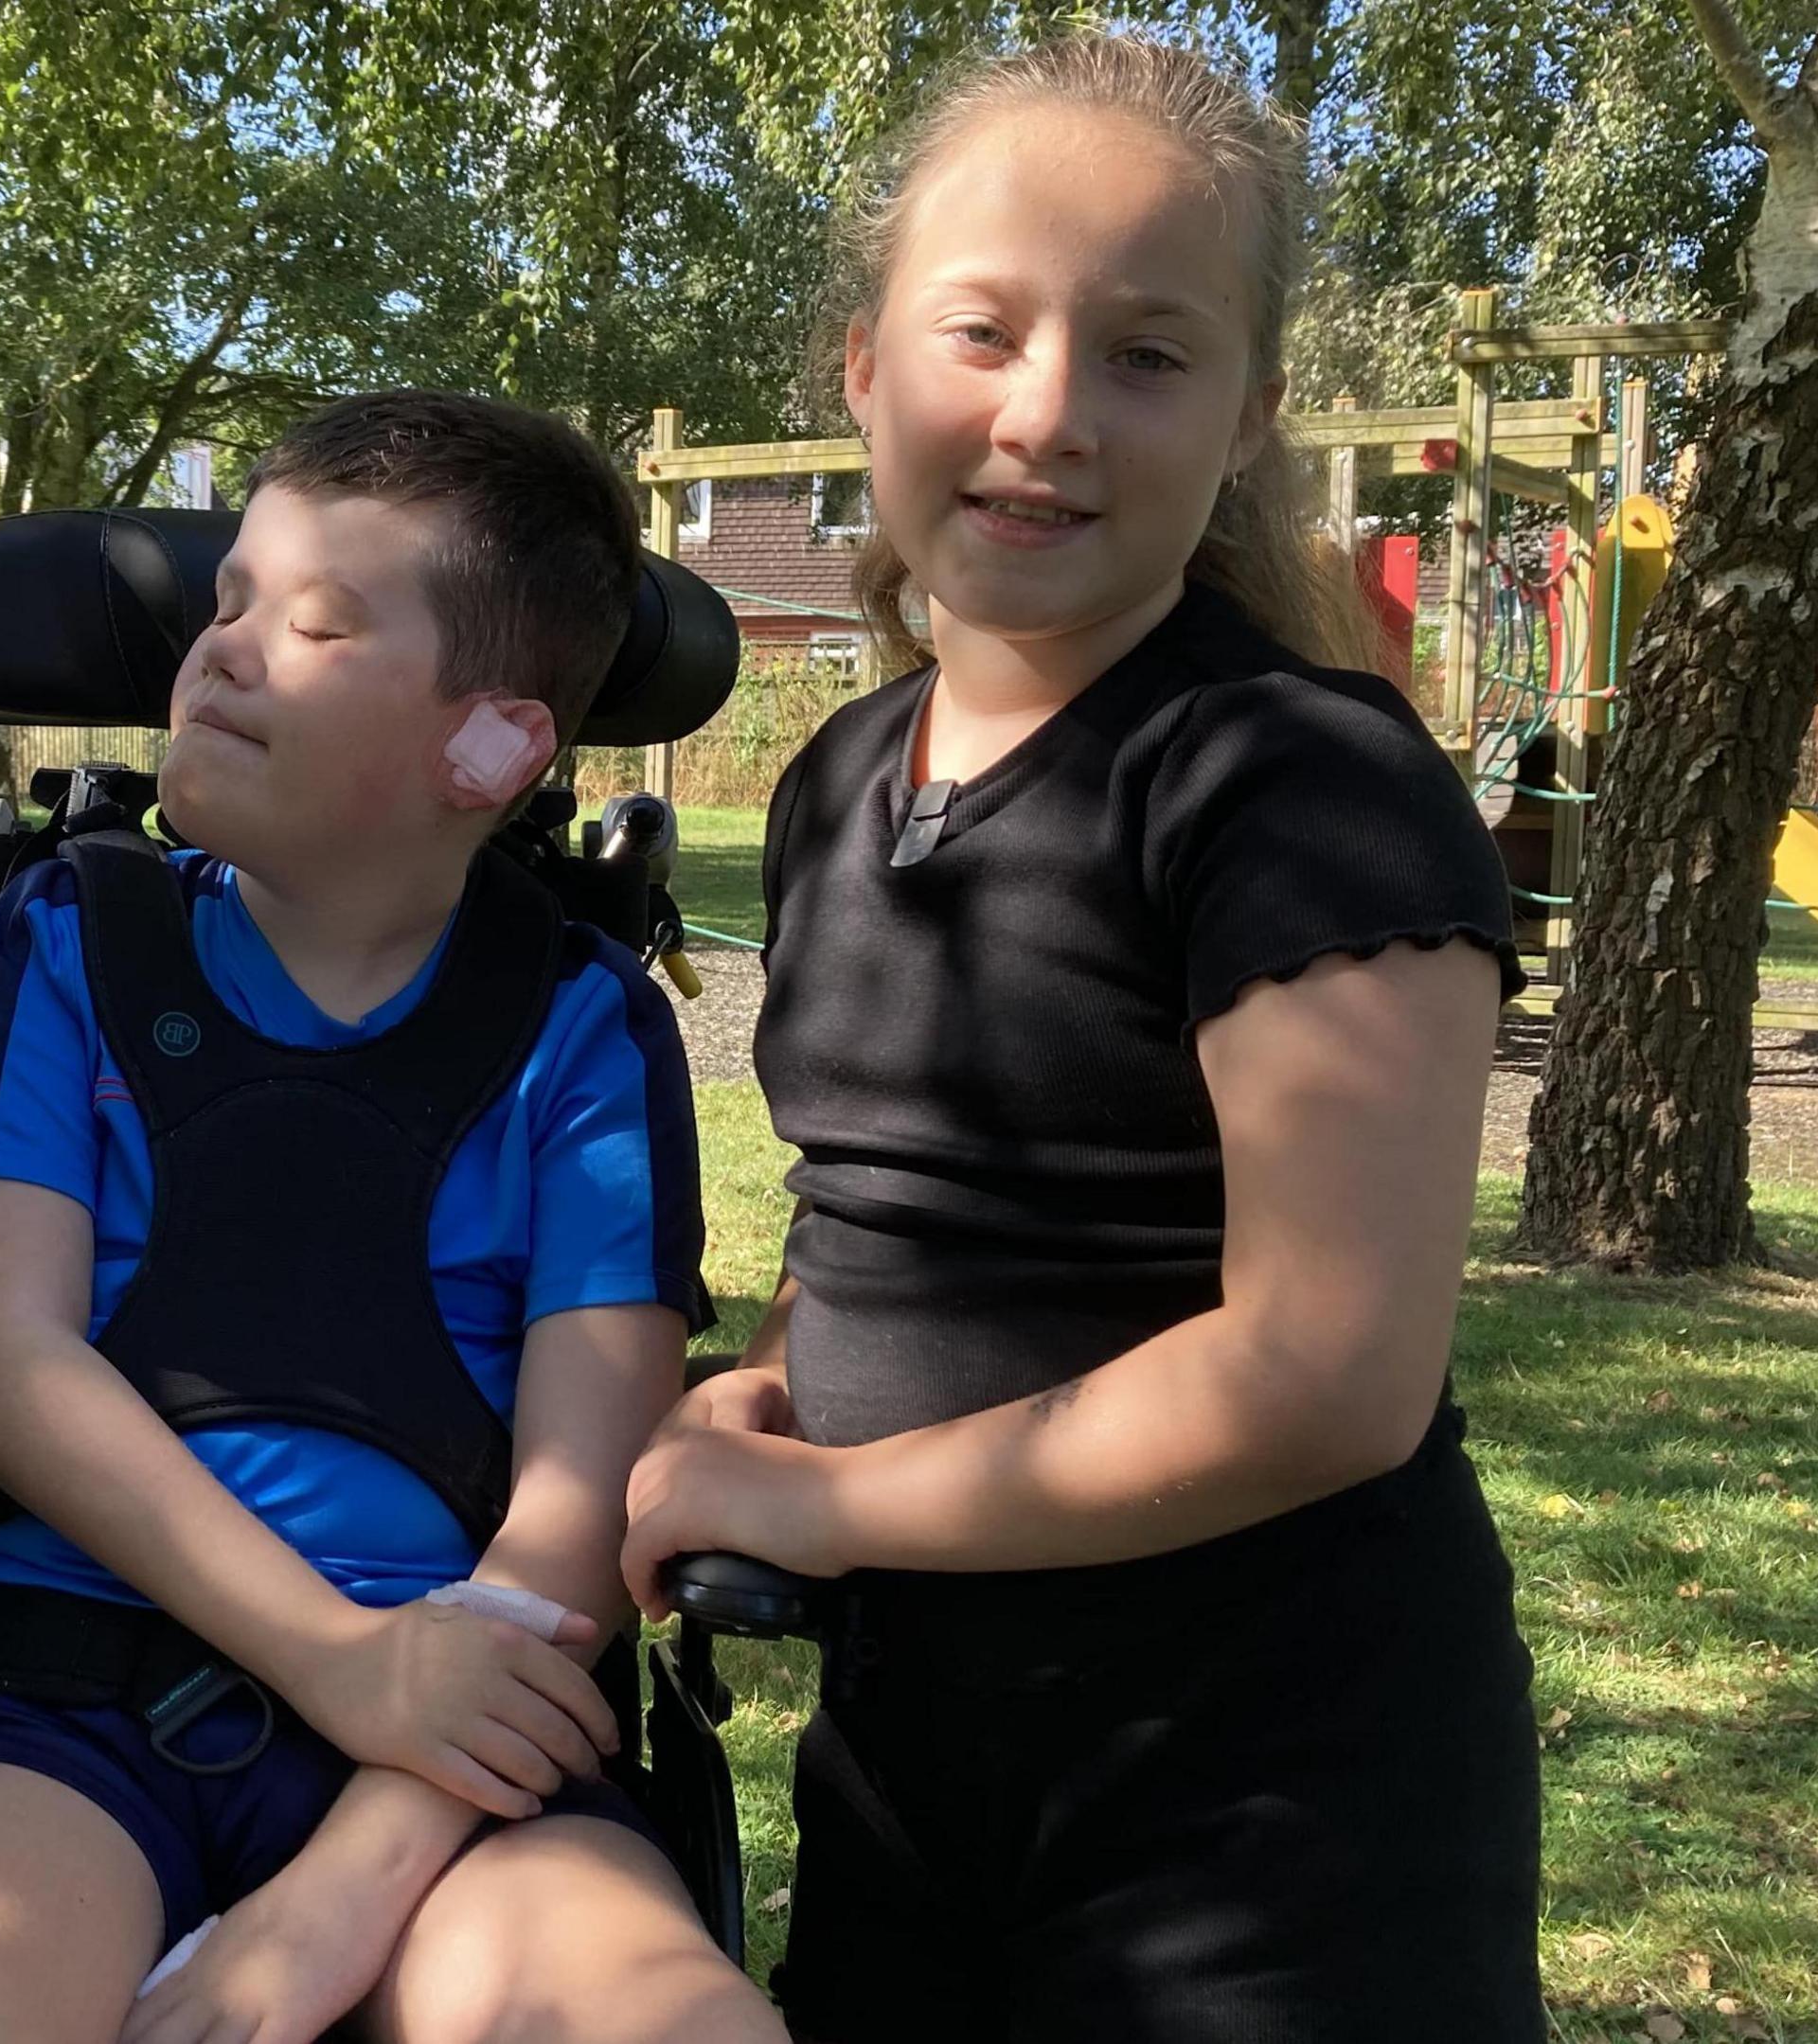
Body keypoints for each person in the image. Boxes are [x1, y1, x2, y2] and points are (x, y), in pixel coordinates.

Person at [618, 35, 1543, 2042]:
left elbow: (1325, 1379)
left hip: (1270, 1812)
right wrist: (762, 1390)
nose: (1048, 415)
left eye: (1145, 353)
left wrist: (825, 1506)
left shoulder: (1299, 785)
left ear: (1246, 420)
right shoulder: (842, 780)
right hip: (917, 1765)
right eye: (984, 330)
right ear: (864, 368)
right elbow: (903, 1205)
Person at [0, 392, 785, 2044]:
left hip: (470, 1733)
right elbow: (4, 1365)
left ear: (496, 748)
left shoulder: (581, 1031)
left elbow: (572, 1509)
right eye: (228, 602)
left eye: (313, 623)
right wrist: (333, 1660)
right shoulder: (70, 943)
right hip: (44, 1688)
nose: (221, 653)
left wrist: (336, 1899)